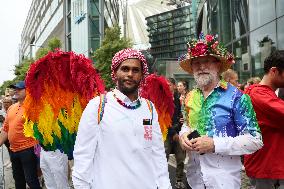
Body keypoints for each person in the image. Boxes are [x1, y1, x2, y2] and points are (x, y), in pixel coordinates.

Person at [72, 48, 171, 189]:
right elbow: (83, 156)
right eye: (125, 69)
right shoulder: (98, 106)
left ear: (142, 75)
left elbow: (158, 154)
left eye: (135, 70)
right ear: (115, 73)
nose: (130, 74)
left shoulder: (149, 108)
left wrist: (165, 186)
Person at [178, 34, 263, 189]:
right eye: (196, 63)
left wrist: (215, 144)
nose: (201, 67)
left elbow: (255, 140)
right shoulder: (190, 97)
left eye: (206, 61)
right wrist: (183, 135)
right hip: (193, 179)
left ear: (218, 65)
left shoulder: (237, 97)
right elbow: (187, 125)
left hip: (223, 182)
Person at [244, 50, 284, 189]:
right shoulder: (260, 96)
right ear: (274, 71)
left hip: (268, 167)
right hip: (268, 169)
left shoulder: (259, 93)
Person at [0, 81, 41, 189]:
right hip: (13, 150)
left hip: (28, 150)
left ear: (28, 91)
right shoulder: (11, 108)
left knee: (31, 180)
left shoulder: (34, 106)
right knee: (18, 180)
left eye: (19, 89)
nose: (16, 91)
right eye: (15, 89)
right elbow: (5, 129)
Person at [165, 78, 186, 189]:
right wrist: (173, 132)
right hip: (167, 134)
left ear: (173, 86)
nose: (167, 87)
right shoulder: (163, 99)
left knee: (181, 158)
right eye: (165, 85)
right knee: (163, 158)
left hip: (178, 132)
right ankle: (162, 181)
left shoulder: (178, 99)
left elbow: (179, 114)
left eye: (169, 84)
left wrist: (180, 120)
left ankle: (179, 180)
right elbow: (163, 119)